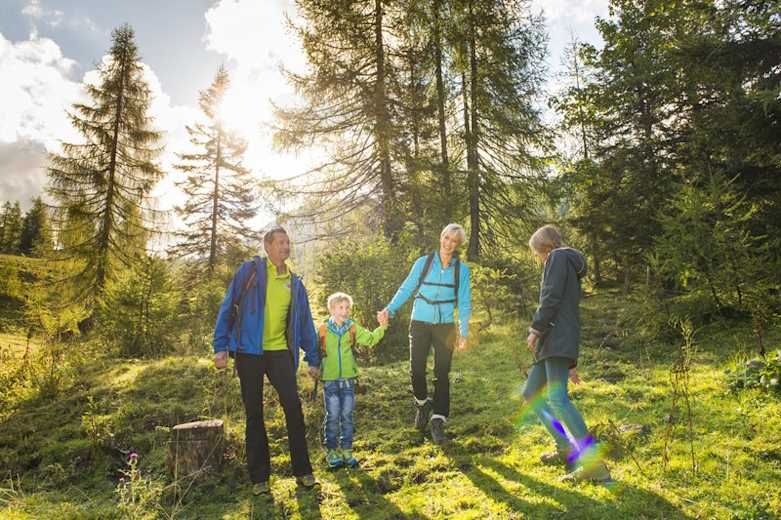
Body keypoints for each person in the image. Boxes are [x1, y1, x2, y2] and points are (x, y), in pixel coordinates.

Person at [213, 226, 320, 495]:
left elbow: (305, 323)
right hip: (248, 353)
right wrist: (220, 346)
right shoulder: (249, 271)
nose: (286, 247)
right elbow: (228, 307)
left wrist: (313, 358)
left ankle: (303, 471)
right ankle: (260, 478)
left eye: (288, 242)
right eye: (280, 242)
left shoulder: (294, 284)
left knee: (293, 407)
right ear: (267, 246)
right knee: (254, 413)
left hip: (279, 352)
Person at [522, 224, 612, 483]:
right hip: (555, 342)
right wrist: (570, 364)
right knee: (531, 392)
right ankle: (565, 448)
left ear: (544, 248)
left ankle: (595, 466)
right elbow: (565, 306)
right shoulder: (565, 263)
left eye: (536, 253)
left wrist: (535, 329)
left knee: (558, 399)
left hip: (555, 339)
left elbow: (551, 298)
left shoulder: (557, 258)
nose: (538, 259)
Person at [378, 223, 471, 444]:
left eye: (454, 241)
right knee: (416, 370)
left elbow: (464, 302)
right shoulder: (423, 263)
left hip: (445, 326)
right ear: (441, 237)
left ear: (458, 245)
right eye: (446, 238)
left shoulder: (461, 270)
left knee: (442, 373)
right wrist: (389, 310)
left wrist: (464, 332)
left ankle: (438, 420)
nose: (449, 244)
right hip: (419, 321)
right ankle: (422, 404)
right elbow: (406, 288)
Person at [319, 292, 389, 468]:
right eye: (340, 308)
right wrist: (313, 366)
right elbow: (313, 350)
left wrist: (382, 326)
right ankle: (332, 451)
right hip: (330, 380)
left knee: (347, 416)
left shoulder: (352, 328)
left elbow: (370, 339)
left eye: (347, 308)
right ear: (332, 309)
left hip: (348, 380)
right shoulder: (323, 329)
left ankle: (347, 451)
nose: (345, 311)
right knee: (333, 416)